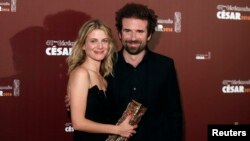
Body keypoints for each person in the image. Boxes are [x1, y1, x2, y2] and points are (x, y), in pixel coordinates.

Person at [66, 3, 183, 141]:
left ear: (149, 35)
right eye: (128, 31)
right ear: (120, 34)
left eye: (140, 31)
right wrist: (74, 99)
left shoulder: (165, 66)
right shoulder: (105, 67)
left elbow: (174, 114)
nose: (133, 38)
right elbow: (89, 107)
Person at [66, 19, 137, 141]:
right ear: (83, 45)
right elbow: (78, 123)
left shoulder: (103, 77)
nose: (100, 46)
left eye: (104, 41)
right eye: (93, 41)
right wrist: (118, 130)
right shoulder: (81, 73)